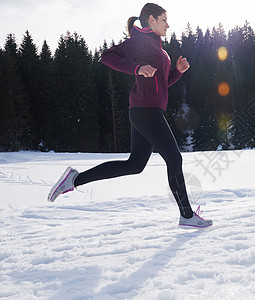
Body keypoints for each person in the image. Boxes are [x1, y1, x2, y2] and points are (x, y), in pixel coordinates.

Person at [47, 3, 212, 229]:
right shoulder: (139, 41)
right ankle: (186, 215)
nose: (168, 25)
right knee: (174, 159)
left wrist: (177, 72)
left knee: (135, 165)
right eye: (164, 20)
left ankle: (74, 180)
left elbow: (161, 83)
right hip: (146, 111)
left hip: (146, 110)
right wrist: (136, 68)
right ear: (151, 20)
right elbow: (107, 57)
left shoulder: (157, 46)